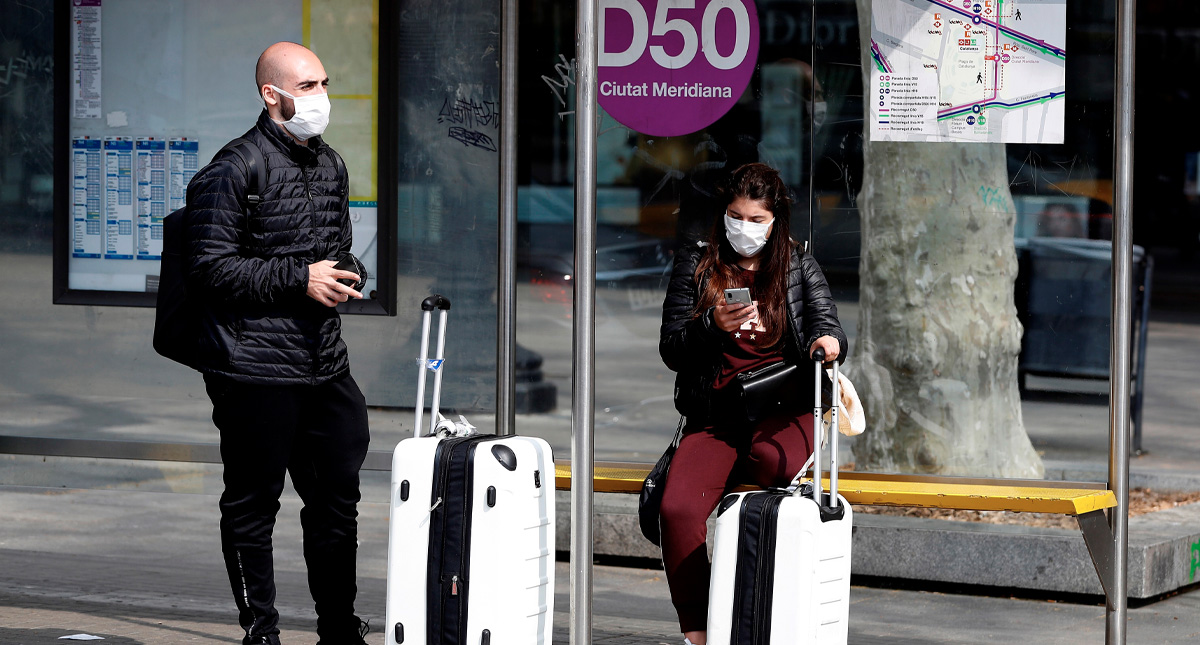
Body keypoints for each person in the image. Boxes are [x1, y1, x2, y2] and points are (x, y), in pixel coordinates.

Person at [182, 42, 370, 645]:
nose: (322, 97)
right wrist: (300, 277)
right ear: (273, 95)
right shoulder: (233, 167)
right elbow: (209, 269)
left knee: (337, 502)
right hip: (254, 368)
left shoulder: (332, 164)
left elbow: (335, 248)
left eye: (323, 83)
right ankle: (261, 628)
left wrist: (346, 274)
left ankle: (337, 626)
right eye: (309, 86)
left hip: (325, 364)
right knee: (252, 505)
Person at [658, 163, 848, 645]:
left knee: (768, 460)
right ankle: (698, 630)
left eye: (756, 219)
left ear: (775, 219)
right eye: (735, 216)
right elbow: (671, 348)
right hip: (717, 413)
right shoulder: (698, 262)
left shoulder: (799, 265)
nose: (744, 228)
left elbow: (828, 323)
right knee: (678, 510)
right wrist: (712, 326)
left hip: (784, 406)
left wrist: (827, 341)